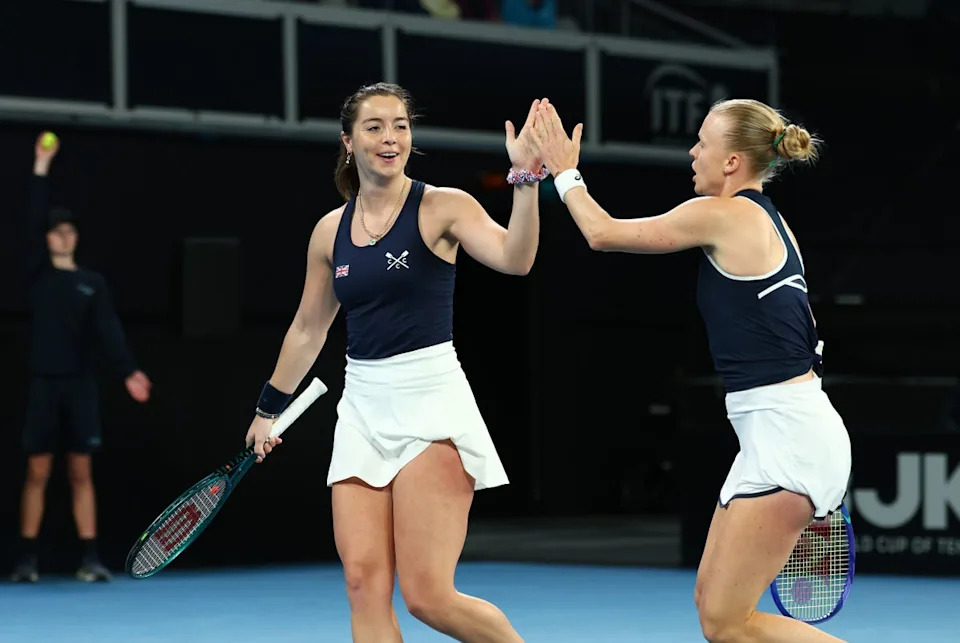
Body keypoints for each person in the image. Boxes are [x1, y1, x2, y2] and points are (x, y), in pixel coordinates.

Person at [531, 99, 851, 642]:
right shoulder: (771, 222)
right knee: (713, 610)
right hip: (779, 432)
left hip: (790, 437)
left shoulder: (722, 214)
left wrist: (564, 172)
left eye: (703, 141)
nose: (693, 151)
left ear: (732, 161)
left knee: (728, 623)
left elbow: (602, 233)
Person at [244, 82, 544, 642]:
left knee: (428, 597)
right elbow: (309, 328)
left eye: (401, 125)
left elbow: (515, 259)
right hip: (362, 407)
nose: (391, 137)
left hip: (431, 402)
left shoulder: (443, 206)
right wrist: (268, 408)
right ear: (348, 141)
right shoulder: (329, 231)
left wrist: (525, 181)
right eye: (375, 126)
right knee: (362, 584)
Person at [11, 133, 153, 583]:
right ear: (47, 238)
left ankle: (90, 558)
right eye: (56, 230)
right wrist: (40, 167)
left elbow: (109, 330)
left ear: (76, 238)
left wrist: (129, 370)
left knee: (80, 470)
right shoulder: (37, 275)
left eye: (70, 230)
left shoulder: (92, 282)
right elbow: (33, 213)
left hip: (80, 387)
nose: (63, 235)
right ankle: (27, 560)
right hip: (43, 384)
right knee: (37, 470)